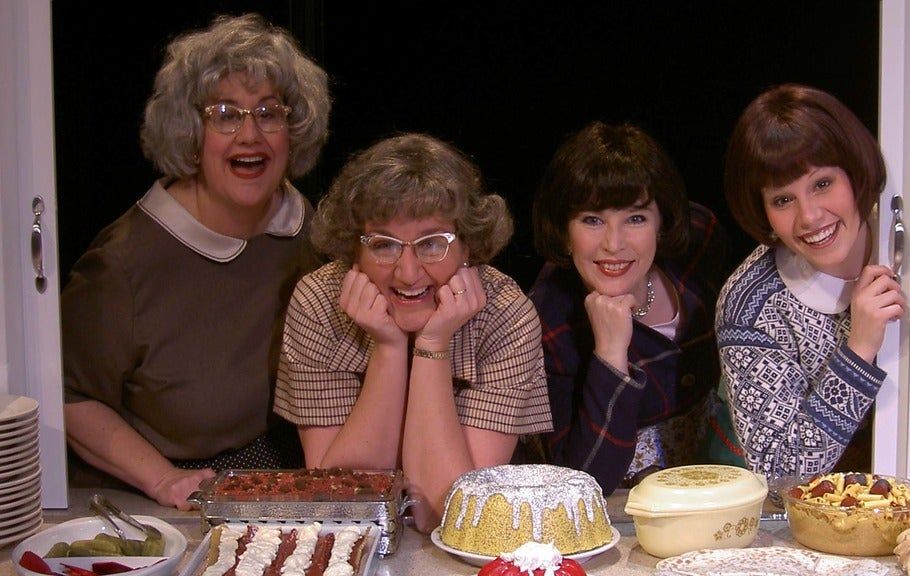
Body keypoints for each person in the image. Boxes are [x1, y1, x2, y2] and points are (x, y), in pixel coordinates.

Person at [61, 13, 331, 510]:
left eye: (268, 112)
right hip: (154, 496)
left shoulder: (309, 229)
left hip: (273, 476)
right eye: (225, 114)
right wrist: (163, 480)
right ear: (189, 131)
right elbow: (67, 396)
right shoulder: (122, 264)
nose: (250, 134)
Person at [273, 133, 552, 531]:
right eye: (384, 245)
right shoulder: (319, 303)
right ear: (355, 250)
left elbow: (449, 513)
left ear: (468, 247)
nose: (407, 272)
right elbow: (344, 501)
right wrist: (388, 349)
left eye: (432, 244)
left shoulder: (506, 315)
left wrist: (432, 345)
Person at [528, 121, 733, 495]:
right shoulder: (546, 320)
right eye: (592, 220)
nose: (613, 243)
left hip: (721, 481)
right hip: (622, 511)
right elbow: (582, 484)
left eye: (635, 218)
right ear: (564, 230)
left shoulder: (697, 242)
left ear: (661, 222)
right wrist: (610, 355)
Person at [715, 83, 906, 480]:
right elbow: (778, 472)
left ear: (854, 173)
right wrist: (859, 349)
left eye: (822, 184)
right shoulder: (750, 305)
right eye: (783, 200)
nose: (809, 217)